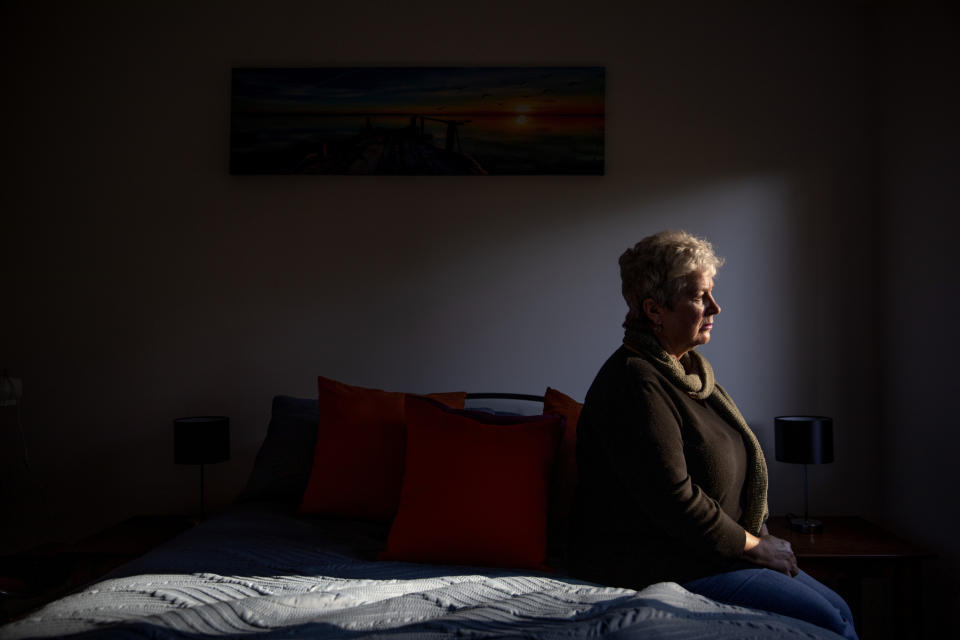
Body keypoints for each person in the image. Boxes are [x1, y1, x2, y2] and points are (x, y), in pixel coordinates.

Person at [568, 230, 857, 640]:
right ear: (654, 310)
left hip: (714, 555)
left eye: (712, 294)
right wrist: (756, 548)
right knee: (829, 622)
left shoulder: (691, 378)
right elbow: (675, 501)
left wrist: (756, 542)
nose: (715, 308)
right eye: (699, 296)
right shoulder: (635, 383)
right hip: (664, 564)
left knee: (840, 610)